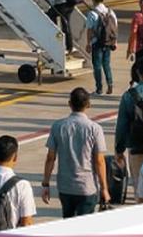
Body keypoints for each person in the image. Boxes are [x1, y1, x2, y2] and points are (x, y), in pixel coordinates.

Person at [42, 88, 109, 218]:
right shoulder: (95, 129)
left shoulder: (58, 126)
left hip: (65, 186)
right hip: (87, 186)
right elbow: (99, 161)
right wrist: (104, 188)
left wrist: (46, 184)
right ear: (88, 105)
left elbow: (50, 158)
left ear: (69, 104)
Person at [84, 0, 117, 95]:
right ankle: (110, 84)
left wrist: (88, 43)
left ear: (94, 0)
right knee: (106, 64)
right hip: (108, 42)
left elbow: (89, 29)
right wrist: (114, 41)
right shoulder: (110, 12)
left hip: (97, 42)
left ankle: (99, 88)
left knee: (97, 66)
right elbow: (114, 27)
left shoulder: (92, 13)